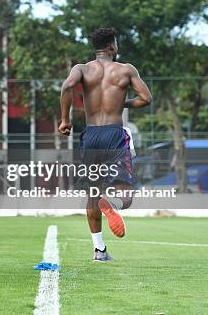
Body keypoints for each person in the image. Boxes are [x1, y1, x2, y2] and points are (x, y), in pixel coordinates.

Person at [59, 27, 152, 262]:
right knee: (126, 195)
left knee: (92, 193)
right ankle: (112, 203)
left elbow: (67, 87)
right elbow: (146, 98)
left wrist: (65, 119)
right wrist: (123, 102)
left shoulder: (81, 69)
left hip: (91, 136)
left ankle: (99, 250)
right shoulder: (126, 70)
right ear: (112, 47)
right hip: (114, 135)